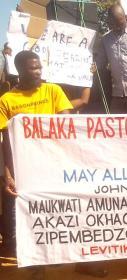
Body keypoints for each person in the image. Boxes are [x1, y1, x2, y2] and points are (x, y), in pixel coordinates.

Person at [0, 50, 73, 277]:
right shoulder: (7, 101)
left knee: (58, 210)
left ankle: (62, 254)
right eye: (33, 68)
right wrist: (8, 174)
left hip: (54, 164)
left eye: (40, 66)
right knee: (30, 215)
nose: (39, 71)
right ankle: (35, 263)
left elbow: (68, 122)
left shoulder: (53, 90)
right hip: (25, 169)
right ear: (20, 71)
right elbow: (6, 143)